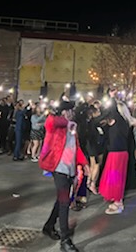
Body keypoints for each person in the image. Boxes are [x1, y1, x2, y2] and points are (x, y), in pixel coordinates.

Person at [39, 101, 88, 252]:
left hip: (70, 168)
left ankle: (48, 226)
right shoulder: (54, 124)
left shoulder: (72, 127)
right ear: (63, 112)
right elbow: (51, 120)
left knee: (62, 199)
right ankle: (65, 240)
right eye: (69, 111)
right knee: (65, 201)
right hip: (58, 167)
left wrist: (85, 164)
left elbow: (76, 147)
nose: (72, 113)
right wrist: (67, 121)